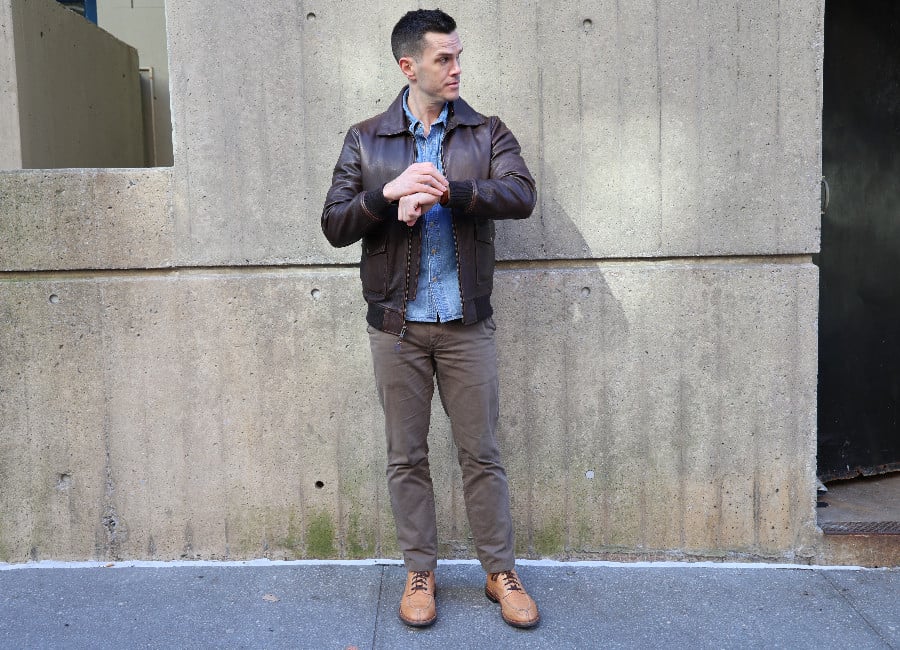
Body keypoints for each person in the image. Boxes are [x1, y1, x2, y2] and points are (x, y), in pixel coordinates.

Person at [321, 8, 539, 629]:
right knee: (406, 456)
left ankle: (500, 571)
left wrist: (453, 191)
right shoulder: (366, 140)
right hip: (397, 326)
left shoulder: (486, 131)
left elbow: (521, 194)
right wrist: (385, 198)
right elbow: (334, 223)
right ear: (407, 65)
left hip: (466, 321)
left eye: (458, 56)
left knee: (482, 453)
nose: (456, 68)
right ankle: (421, 571)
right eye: (443, 58)